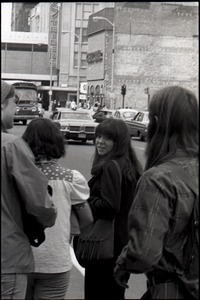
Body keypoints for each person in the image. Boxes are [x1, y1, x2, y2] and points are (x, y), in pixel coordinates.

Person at [114, 86, 199, 299]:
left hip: (173, 289)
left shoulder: (159, 179)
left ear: (158, 124)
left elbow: (144, 254)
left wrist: (123, 263)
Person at [22, 118, 93, 300]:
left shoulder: (17, 176)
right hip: (55, 260)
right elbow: (87, 219)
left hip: (20, 260)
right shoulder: (70, 178)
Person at [1, 80, 57, 300]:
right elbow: (40, 204)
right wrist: (48, 217)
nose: (16, 108)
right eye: (14, 102)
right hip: (7, 257)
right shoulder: (11, 146)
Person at [84, 118, 143, 300]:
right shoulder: (129, 166)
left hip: (105, 246)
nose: (100, 141)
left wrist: (85, 201)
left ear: (118, 142)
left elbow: (110, 206)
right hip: (122, 244)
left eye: (107, 138)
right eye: (98, 136)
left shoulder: (111, 166)